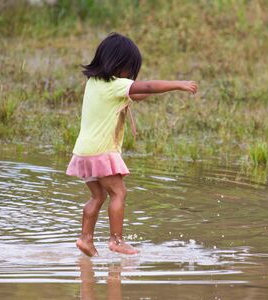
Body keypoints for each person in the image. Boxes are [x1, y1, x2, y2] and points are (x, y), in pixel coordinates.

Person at [66, 32, 198, 256]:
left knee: (97, 196)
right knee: (119, 193)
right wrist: (178, 84)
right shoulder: (115, 85)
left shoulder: (94, 83)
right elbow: (144, 88)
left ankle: (85, 239)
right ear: (119, 66)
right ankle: (117, 241)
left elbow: (136, 94)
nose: (132, 76)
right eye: (130, 70)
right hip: (101, 151)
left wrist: (151, 91)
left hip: (83, 152)